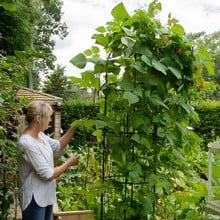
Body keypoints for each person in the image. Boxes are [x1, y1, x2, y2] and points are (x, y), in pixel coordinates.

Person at [17, 100, 80, 220]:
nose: (50, 120)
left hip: (46, 194)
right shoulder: (27, 143)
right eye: (48, 117)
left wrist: (74, 126)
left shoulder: (40, 136)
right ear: (38, 118)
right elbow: (48, 174)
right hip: (33, 199)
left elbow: (59, 145)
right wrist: (69, 163)